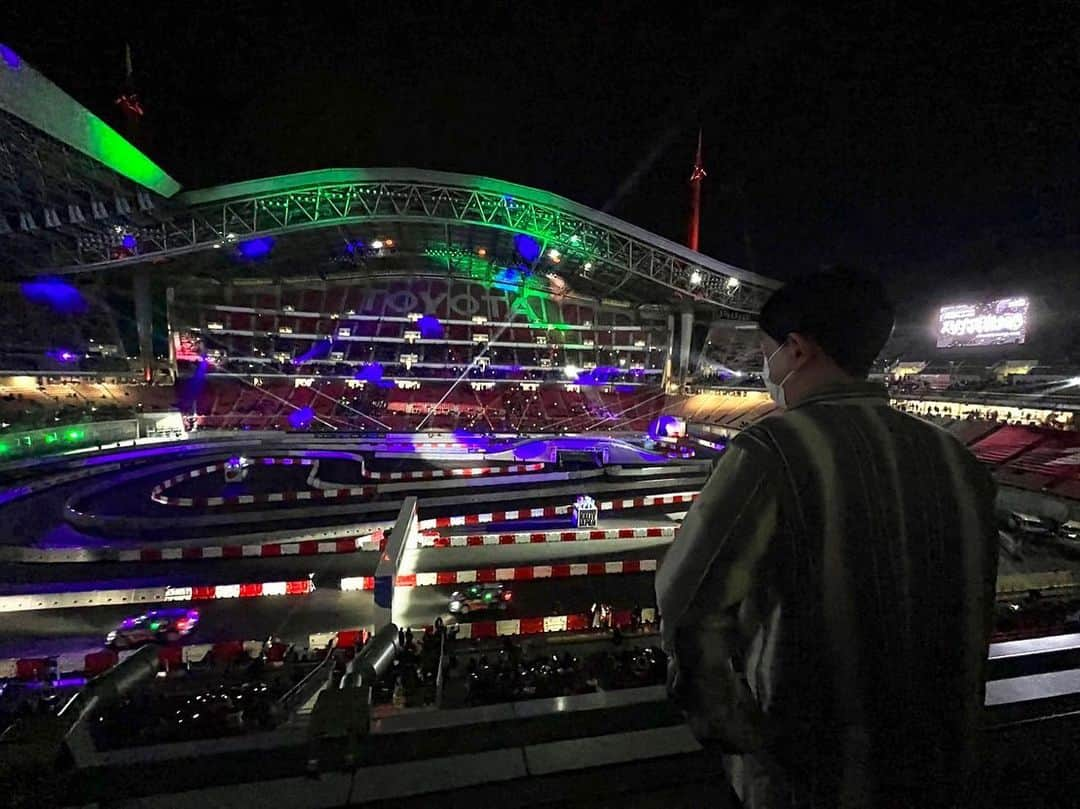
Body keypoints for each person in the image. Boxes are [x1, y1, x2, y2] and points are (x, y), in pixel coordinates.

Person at [655, 267, 998, 809]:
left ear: (796, 349)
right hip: (940, 763)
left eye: (768, 351)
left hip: (810, 771)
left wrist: (730, 728)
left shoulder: (770, 450)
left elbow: (687, 602)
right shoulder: (958, 459)